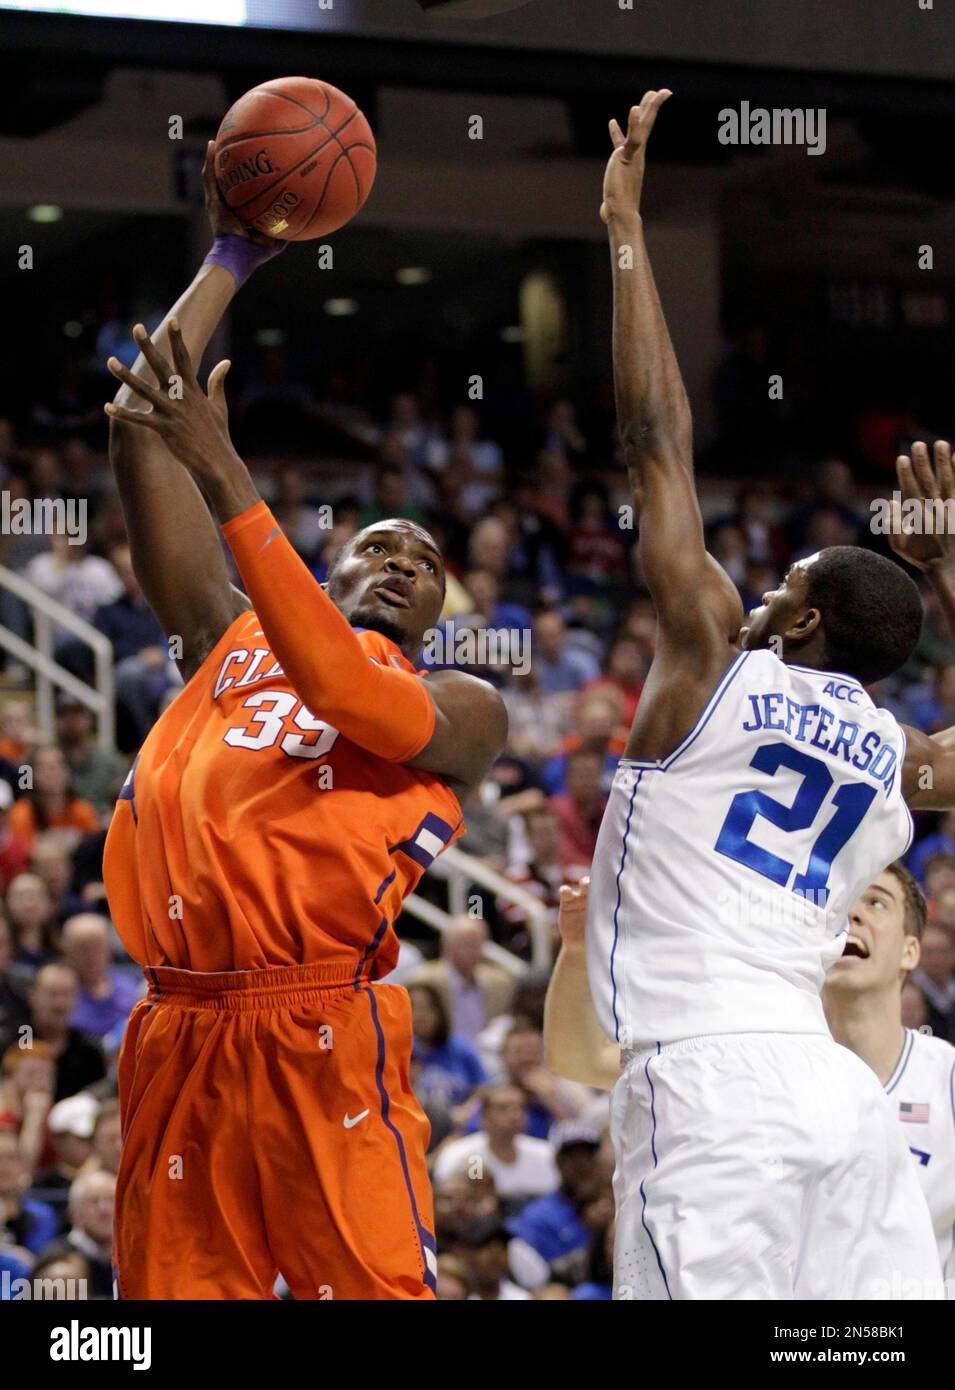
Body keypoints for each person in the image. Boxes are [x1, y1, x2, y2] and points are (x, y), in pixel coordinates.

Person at [99, 146, 507, 1300]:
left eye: (424, 562)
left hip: (320, 1023)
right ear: (326, 565)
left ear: (445, 607)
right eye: (377, 545)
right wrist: (233, 256)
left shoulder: (466, 707)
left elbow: (345, 694)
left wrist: (231, 482)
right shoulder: (227, 636)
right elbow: (140, 420)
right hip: (176, 1022)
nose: (401, 563)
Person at [587, 89, 950, 1300]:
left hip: (707, 1083)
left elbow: (655, 441)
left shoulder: (707, 667)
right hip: (839, 1101)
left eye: (779, 583)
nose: (753, 590)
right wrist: (948, 580)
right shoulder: (895, 755)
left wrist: (626, 230)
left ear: (794, 621)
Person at [823, 863, 955, 1292]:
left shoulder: (946, 1078)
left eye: (875, 901)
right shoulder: (769, 1074)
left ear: (910, 952)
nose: (851, 915)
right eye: (840, 904)